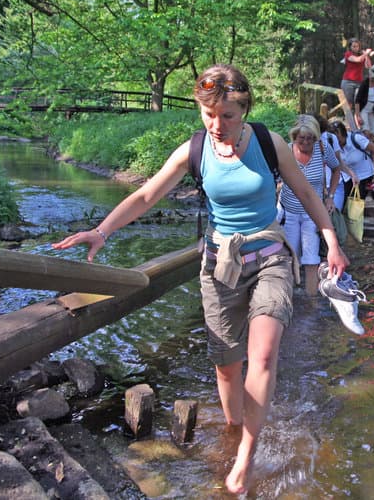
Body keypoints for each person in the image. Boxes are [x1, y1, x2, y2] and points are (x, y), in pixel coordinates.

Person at [51, 64, 349, 495]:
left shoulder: (270, 143)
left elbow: (305, 193)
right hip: (219, 266)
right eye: (208, 114)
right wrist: (102, 231)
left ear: (245, 110)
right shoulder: (194, 149)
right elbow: (146, 195)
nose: (217, 124)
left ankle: (246, 452)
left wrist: (332, 243)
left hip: (269, 259)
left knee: (261, 357)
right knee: (227, 368)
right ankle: (234, 430)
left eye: (227, 115)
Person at [277, 115, 341, 296]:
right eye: (301, 138)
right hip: (288, 212)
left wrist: (330, 196)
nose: (305, 142)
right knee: (290, 256)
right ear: (294, 137)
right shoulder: (286, 152)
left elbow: (337, 168)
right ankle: (287, 297)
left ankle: (310, 301)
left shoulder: (323, 149)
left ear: (316, 137)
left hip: (313, 213)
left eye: (310, 138)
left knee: (311, 259)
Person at [331, 120, 374, 204]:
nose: (337, 143)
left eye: (339, 140)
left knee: (356, 202)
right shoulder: (333, 144)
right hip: (347, 175)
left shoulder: (356, 139)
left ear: (344, 134)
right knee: (345, 201)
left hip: (364, 174)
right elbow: (338, 162)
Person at [314, 113, 355, 212]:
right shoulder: (302, 139)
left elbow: (338, 162)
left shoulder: (331, 138)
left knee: (334, 215)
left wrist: (351, 174)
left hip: (335, 186)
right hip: (315, 186)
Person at [340, 38, 373, 119]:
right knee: (349, 103)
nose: (356, 48)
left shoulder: (362, 55)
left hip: (359, 82)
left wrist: (366, 55)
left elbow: (368, 66)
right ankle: (349, 122)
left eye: (357, 46)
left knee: (358, 103)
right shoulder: (348, 54)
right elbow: (357, 60)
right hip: (348, 82)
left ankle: (357, 122)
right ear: (350, 47)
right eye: (354, 46)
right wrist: (366, 53)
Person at [355, 63, 374, 139]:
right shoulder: (365, 83)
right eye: (373, 78)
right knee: (366, 130)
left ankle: (369, 147)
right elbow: (357, 101)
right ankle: (365, 148)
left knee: (373, 132)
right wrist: (358, 116)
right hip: (364, 107)